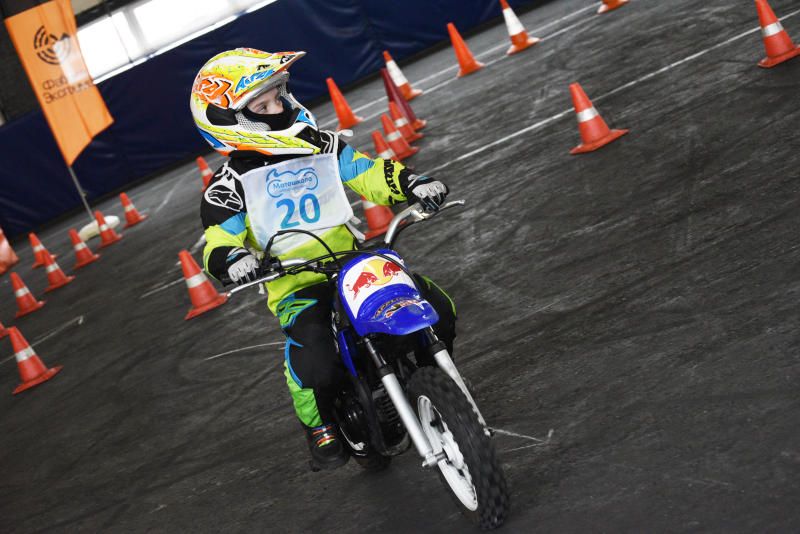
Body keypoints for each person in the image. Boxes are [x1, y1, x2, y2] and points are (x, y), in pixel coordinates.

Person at [190, 48, 456, 470]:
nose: (279, 108)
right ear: (231, 121)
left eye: (279, 96)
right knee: (314, 352)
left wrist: (412, 183)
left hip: (353, 263)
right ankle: (317, 423)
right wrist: (232, 258)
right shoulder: (228, 186)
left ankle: (436, 382)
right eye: (263, 106)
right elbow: (217, 240)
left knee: (435, 305)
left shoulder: (323, 145)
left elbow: (369, 173)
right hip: (296, 282)